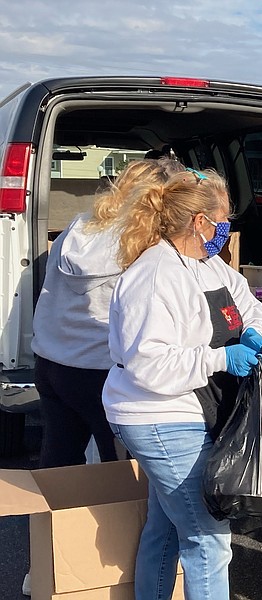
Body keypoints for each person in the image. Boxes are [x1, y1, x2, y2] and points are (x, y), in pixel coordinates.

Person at [103, 168, 262, 600]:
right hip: (159, 416)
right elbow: (147, 363)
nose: (228, 230)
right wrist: (221, 357)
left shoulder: (208, 267)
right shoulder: (154, 275)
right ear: (199, 222)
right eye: (222, 221)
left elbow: (246, 304)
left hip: (192, 409)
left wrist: (254, 334)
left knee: (166, 528)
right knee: (208, 541)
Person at [32, 157, 185, 468]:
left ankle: (54, 516)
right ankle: (122, 518)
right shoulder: (145, 243)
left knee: (60, 462)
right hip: (102, 370)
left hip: (51, 363)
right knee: (120, 472)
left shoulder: (80, 226)